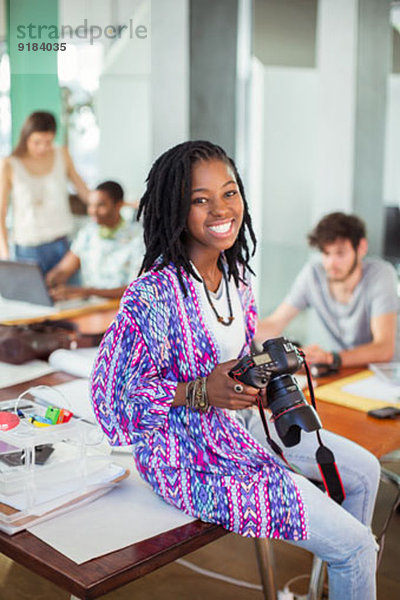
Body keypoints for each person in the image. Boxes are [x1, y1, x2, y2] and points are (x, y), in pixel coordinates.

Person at [90, 141, 379, 600]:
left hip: (242, 426)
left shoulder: (237, 277)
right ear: (174, 210)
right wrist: (199, 391)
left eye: (229, 193)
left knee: (365, 473)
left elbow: (235, 361)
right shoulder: (152, 294)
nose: (221, 208)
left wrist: (253, 387)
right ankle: (349, 566)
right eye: (200, 199)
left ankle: (335, 586)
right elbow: (111, 402)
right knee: (358, 548)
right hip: (190, 455)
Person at [256, 212, 398, 368]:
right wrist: (241, 329)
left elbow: (384, 349)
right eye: (326, 253)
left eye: (340, 253)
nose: (331, 263)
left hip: (386, 375)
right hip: (342, 371)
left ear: (361, 247)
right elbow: (274, 324)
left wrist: (331, 358)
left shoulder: (381, 274)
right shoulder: (313, 275)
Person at [0, 111, 89, 273]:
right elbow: (1, 212)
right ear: (26, 137)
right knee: (31, 297)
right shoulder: (9, 164)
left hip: (63, 244)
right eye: (37, 142)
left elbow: (83, 191)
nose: (43, 148)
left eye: (48, 142)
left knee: (71, 295)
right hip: (28, 249)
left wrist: (119, 203)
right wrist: (5, 254)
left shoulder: (61, 154)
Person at [45, 181, 144, 300]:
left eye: (100, 205)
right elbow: (65, 268)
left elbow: (135, 289)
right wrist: (51, 279)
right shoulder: (87, 234)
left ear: (118, 205)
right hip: (90, 307)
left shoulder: (138, 238)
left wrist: (87, 292)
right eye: (90, 205)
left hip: (121, 308)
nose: (93, 211)